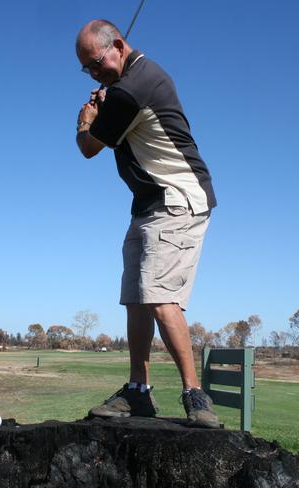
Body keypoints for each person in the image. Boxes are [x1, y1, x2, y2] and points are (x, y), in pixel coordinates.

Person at [75, 20, 219, 428]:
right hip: (148, 203)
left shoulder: (135, 86)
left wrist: (87, 117)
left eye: (96, 63)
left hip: (179, 201)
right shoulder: (125, 86)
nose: (94, 73)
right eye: (87, 69)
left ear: (118, 46)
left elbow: (88, 148)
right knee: (136, 296)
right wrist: (108, 102)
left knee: (158, 296)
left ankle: (195, 395)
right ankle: (138, 392)